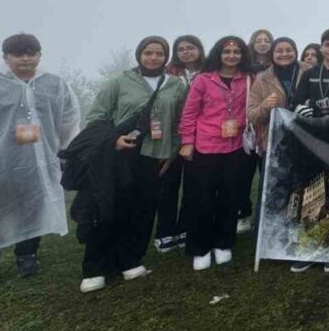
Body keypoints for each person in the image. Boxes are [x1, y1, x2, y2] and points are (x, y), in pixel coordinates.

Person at [80, 36, 187, 292]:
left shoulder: (176, 85)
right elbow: (97, 117)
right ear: (139, 55)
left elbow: (180, 122)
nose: (153, 58)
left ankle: (130, 260)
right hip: (120, 156)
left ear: (166, 57)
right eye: (148, 53)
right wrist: (113, 140)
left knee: (143, 210)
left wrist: (171, 154)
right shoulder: (119, 82)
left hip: (156, 157)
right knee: (109, 209)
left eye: (159, 53)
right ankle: (95, 266)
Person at [0, 34, 80, 289]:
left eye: (31, 53)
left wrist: (68, 150)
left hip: (40, 161)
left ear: (39, 55)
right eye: (18, 54)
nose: (25, 58)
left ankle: (27, 255)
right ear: (5, 57)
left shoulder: (54, 84)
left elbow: (69, 117)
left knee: (34, 206)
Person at [178, 36, 254, 271]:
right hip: (205, 146)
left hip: (235, 148)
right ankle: (199, 247)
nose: (231, 56)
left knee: (230, 197)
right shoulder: (203, 80)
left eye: (236, 51)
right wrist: (187, 141)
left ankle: (224, 243)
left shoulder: (248, 79)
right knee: (202, 198)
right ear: (218, 54)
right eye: (226, 51)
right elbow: (190, 113)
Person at [239, 38, 305, 236]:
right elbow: (251, 114)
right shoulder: (263, 79)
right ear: (273, 54)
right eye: (279, 51)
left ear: (295, 51)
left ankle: (300, 231)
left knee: (302, 188)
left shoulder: (309, 71)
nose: (284, 54)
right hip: (275, 143)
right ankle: (268, 235)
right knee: (273, 190)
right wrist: (266, 105)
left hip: (306, 141)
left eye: (289, 50)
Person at [156, 34, 205, 252]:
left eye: (191, 47)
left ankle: (185, 227)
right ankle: (165, 231)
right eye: (181, 49)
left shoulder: (208, 72)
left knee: (193, 185)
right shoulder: (166, 75)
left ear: (199, 50)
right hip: (171, 136)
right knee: (167, 185)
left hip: (199, 136)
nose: (186, 52)